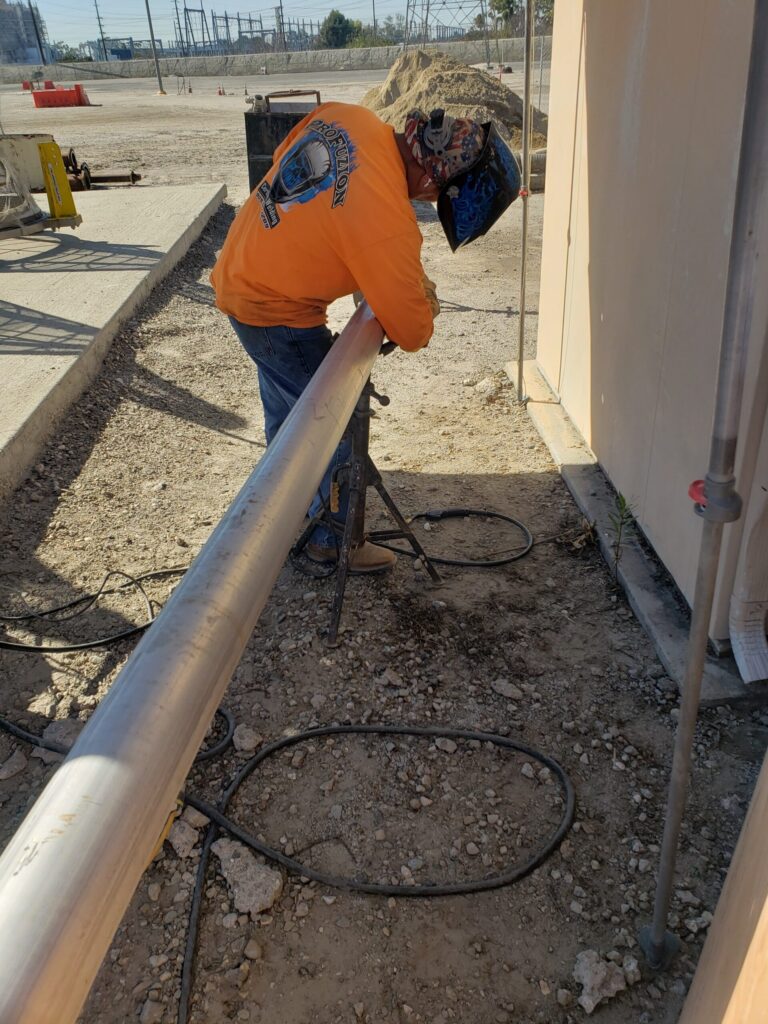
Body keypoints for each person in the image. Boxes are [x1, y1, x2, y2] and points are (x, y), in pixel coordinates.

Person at [211, 101, 520, 572]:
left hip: (241, 271)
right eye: (437, 196)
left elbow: (304, 180)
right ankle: (331, 542)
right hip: (274, 310)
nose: (429, 203)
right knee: (325, 428)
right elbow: (413, 330)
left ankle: (285, 511)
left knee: (289, 416)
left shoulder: (350, 119)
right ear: (434, 178)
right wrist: (420, 296)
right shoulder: (386, 216)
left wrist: (362, 269)